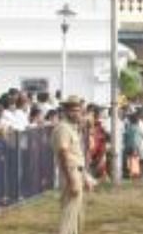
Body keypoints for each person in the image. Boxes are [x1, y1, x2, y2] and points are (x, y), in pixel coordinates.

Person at [54, 97, 89, 234]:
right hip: (70, 172)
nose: (77, 113)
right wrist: (71, 179)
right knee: (68, 218)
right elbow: (63, 154)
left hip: (77, 171)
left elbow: (76, 156)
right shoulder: (63, 128)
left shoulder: (72, 128)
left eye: (79, 110)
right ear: (66, 111)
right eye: (73, 110)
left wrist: (84, 176)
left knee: (76, 217)